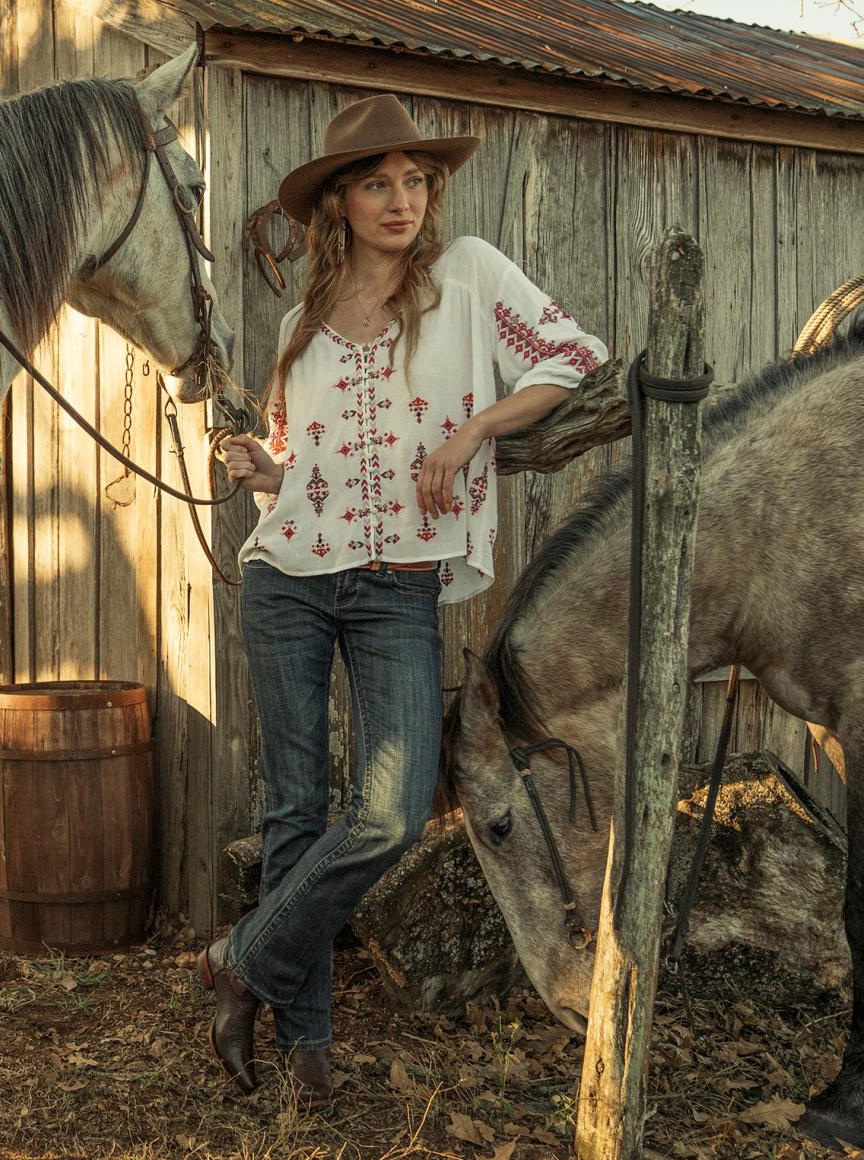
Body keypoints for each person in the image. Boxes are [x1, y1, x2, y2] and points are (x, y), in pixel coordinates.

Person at [198, 94, 608, 1110]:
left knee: (387, 809)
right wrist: (259, 462)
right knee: (294, 811)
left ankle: (238, 960)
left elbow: (572, 356)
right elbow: (302, 462)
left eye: (413, 179)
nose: (401, 199)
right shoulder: (299, 326)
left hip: (399, 587)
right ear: (337, 202)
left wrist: (471, 435)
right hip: (286, 577)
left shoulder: (465, 276)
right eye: (376, 182)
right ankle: (306, 1048)